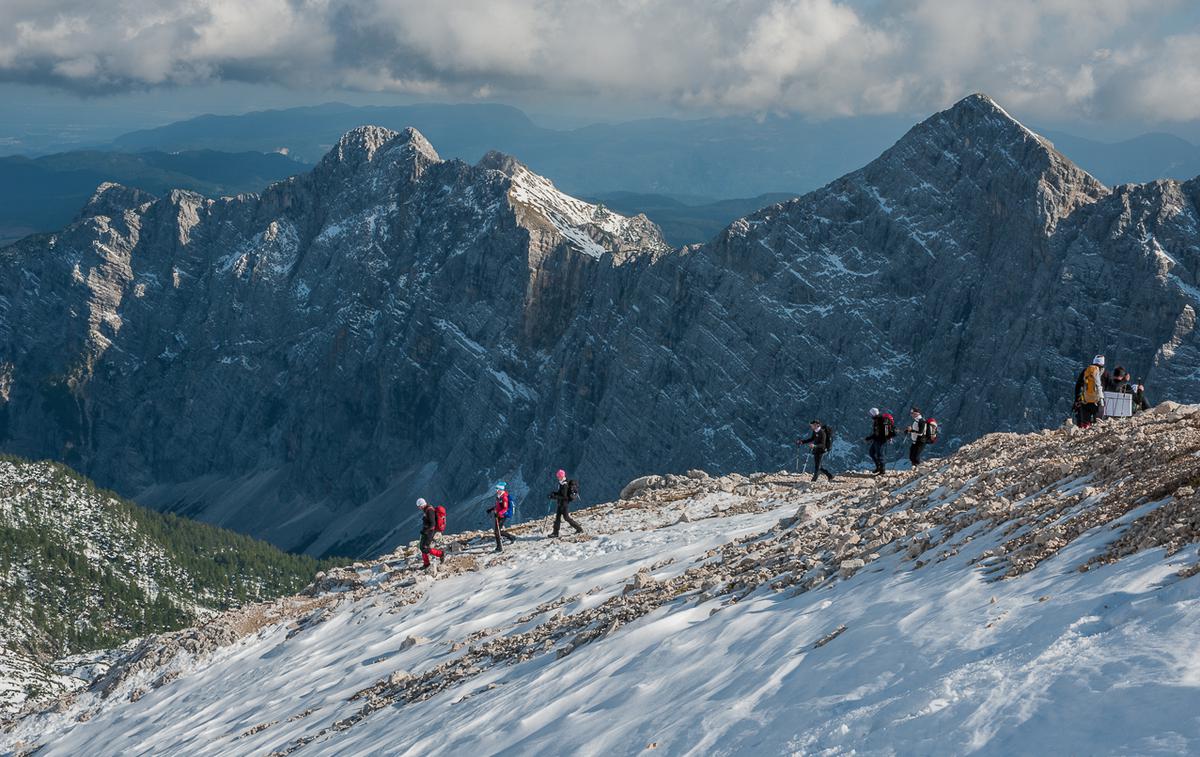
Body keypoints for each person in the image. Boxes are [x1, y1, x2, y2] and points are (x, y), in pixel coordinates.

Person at [547, 469, 584, 537]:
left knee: (566, 518)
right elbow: (560, 493)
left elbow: (564, 497)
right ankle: (555, 533)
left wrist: (554, 497)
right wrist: (554, 493)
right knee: (558, 518)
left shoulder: (564, 485)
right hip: (561, 503)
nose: (558, 477)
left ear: (561, 476)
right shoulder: (562, 483)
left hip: (564, 504)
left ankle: (579, 529)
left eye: (558, 476)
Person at [1074, 356, 1106, 429]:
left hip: (1085, 401)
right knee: (1098, 424)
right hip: (1098, 402)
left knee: (1085, 425)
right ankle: (1095, 436)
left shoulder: (1086, 371)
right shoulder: (1104, 373)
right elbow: (1113, 386)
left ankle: (1083, 437)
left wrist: (1076, 400)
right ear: (1103, 363)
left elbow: (1078, 386)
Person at [487, 482, 517, 553]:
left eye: (497, 489)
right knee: (498, 531)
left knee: (497, 532)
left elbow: (505, 508)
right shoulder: (499, 496)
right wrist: (492, 509)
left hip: (502, 515)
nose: (496, 490)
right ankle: (511, 537)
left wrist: (499, 513)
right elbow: (498, 506)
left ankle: (499, 547)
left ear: (501, 489)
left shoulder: (504, 497)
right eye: (496, 488)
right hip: (498, 515)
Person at [416, 498, 444, 570]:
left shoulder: (429, 510)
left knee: (425, 548)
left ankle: (440, 554)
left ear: (421, 505)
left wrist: (426, 531)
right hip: (426, 531)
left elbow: (432, 524)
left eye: (419, 506)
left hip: (430, 532)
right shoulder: (426, 509)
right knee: (422, 547)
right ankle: (426, 564)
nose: (418, 508)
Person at [864, 408, 892, 475]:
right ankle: (878, 467)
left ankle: (882, 471)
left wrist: (868, 438)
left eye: (871, 414)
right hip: (876, 440)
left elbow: (878, 433)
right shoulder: (877, 420)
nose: (870, 415)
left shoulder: (881, 420)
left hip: (881, 440)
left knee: (880, 455)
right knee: (871, 453)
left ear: (873, 413)